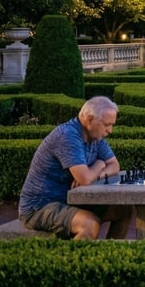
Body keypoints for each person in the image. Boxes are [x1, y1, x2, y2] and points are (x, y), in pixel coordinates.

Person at [18, 96, 133, 240]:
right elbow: (84, 179)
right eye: (106, 124)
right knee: (89, 224)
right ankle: (74, 261)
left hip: (70, 201)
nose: (110, 130)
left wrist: (96, 174)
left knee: (123, 210)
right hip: (39, 206)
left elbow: (115, 165)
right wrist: (100, 164)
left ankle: (109, 256)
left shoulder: (96, 137)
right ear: (90, 119)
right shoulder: (67, 136)